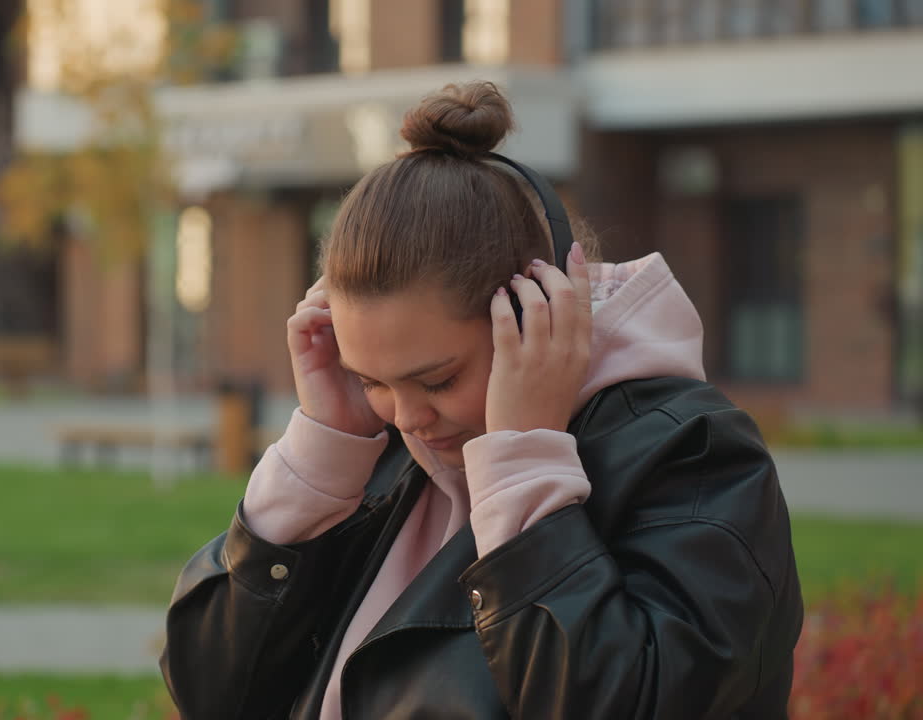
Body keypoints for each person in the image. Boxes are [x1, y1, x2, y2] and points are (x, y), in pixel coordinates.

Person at [160, 81, 804, 719]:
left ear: (535, 313)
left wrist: (524, 469)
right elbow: (212, 693)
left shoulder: (692, 456)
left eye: (437, 380)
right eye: (372, 380)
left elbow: (629, 698)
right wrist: (323, 449)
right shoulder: (380, 453)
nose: (407, 418)